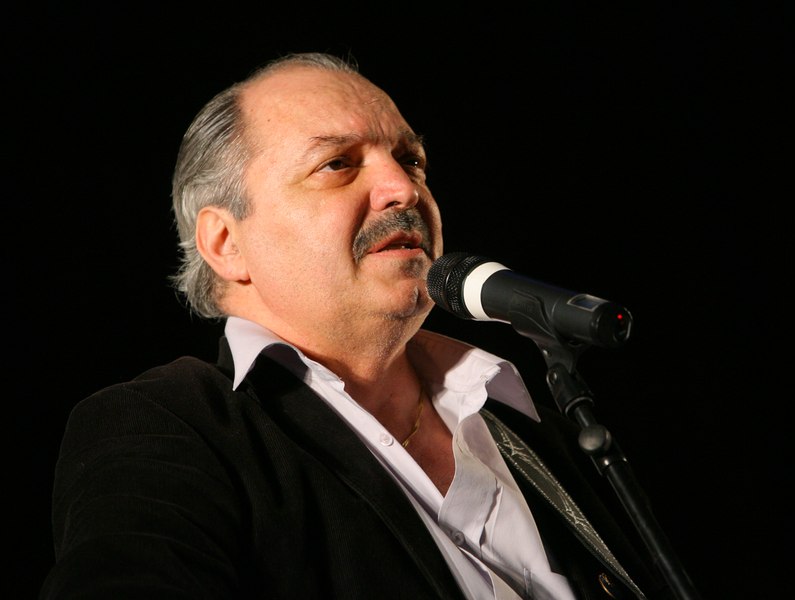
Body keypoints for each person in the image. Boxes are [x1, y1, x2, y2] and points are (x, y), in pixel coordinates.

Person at [39, 52, 672, 599]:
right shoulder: (164, 425)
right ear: (227, 244)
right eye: (337, 164)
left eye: (411, 160)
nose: (403, 188)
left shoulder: (534, 425)